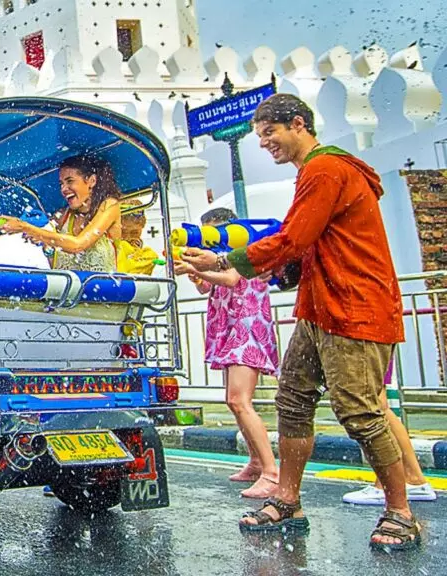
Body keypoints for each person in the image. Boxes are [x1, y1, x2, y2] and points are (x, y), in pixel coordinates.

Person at [180, 94, 418, 550]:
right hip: (319, 306)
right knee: (291, 400)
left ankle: (400, 512)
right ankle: (287, 500)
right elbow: (300, 248)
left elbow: (293, 238)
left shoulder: (326, 169)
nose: (265, 143)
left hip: (354, 306)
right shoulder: (313, 174)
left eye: (270, 133)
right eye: (259, 136)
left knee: (360, 412)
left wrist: (225, 257)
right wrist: (222, 268)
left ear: (298, 124)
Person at [176, 207, 280, 499]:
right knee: (233, 401)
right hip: (229, 329)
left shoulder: (245, 250)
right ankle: (257, 461)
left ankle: (272, 472)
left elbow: (234, 279)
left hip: (247, 328)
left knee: (239, 400)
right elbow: (206, 287)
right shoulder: (221, 255)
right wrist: (193, 273)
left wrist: (197, 268)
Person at [0, 155, 122, 272]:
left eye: (70, 181)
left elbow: (78, 245)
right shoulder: (62, 216)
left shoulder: (110, 205)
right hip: (71, 292)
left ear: (92, 181)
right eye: (61, 184)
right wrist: (46, 246)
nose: (63, 189)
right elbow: (56, 264)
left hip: (106, 292)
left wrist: (24, 227)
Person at [342, 353, 436, 505]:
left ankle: (387, 484)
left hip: (371, 337)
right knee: (377, 403)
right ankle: (413, 479)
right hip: (377, 335)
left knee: (376, 403)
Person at [115, 199, 161, 275]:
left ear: (142, 227)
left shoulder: (148, 256)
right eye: (122, 232)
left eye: (134, 233)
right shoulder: (107, 249)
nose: (128, 238)